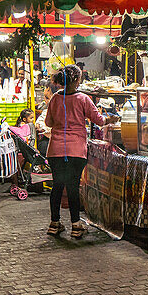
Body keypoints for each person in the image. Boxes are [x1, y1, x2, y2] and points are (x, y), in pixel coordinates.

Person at [44, 65, 110, 239]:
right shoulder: (83, 98)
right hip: (76, 150)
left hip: (56, 149)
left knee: (57, 185)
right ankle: (76, 225)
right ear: (77, 80)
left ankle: (54, 223)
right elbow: (99, 120)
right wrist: (111, 118)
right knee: (73, 186)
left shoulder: (55, 98)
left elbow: (48, 123)